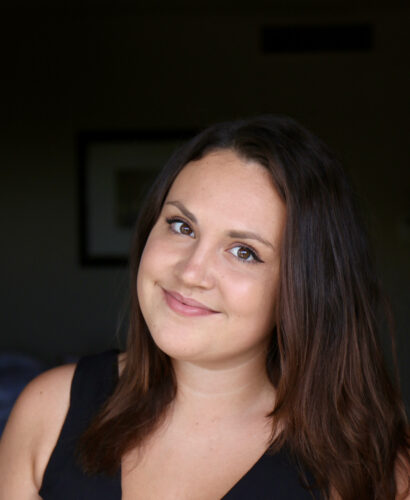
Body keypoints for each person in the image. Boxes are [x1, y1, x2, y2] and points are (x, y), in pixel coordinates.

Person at [0, 115, 408, 499]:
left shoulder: (372, 467)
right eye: (182, 226)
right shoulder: (48, 411)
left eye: (244, 252)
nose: (192, 271)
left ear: (306, 288)